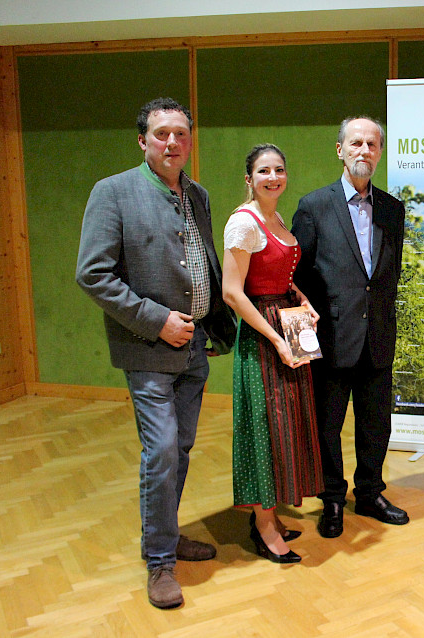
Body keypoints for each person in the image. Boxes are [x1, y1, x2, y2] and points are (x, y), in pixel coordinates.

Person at [75, 97, 236, 609]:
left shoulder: (199, 195)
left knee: (181, 448)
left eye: (181, 134)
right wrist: (157, 320)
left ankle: (166, 535)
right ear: (142, 140)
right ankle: (160, 563)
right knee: (162, 449)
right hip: (147, 348)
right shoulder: (113, 193)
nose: (172, 143)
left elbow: (202, 263)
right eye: (162, 134)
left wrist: (211, 321)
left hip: (194, 352)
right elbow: (93, 274)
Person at [291, 116, 408, 537]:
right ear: (340, 150)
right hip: (331, 340)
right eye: (355, 143)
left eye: (372, 144)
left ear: (379, 152)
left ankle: (371, 492)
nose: (364, 151)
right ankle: (333, 499)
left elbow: (387, 275)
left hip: (377, 336)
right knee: (328, 426)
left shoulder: (393, 210)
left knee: (377, 423)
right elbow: (297, 276)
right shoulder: (313, 206)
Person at [221, 144, 324, 564]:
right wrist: (276, 339)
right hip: (264, 335)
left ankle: (271, 514)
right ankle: (264, 524)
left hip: (286, 321)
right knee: (266, 427)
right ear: (249, 179)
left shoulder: (276, 217)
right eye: (264, 171)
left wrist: (302, 300)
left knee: (287, 426)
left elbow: (281, 275)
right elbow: (232, 292)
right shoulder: (242, 224)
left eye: (279, 169)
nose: (273, 177)